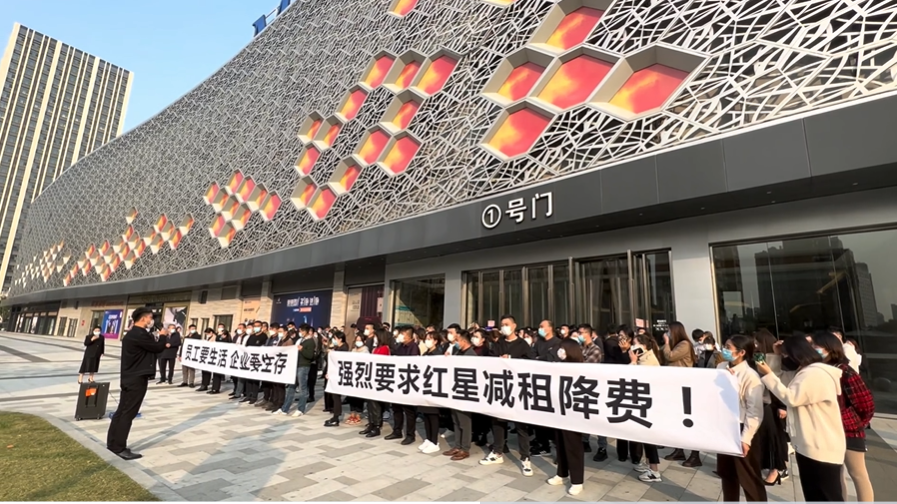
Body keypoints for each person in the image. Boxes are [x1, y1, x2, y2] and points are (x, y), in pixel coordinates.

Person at [757, 336, 845, 501]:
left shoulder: (815, 373)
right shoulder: (804, 371)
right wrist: (775, 356)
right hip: (809, 444)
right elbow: (781, 379)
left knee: (826, 495)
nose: (785, 359)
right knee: (813, 495)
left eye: (785, 355)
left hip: (820, 445)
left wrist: (768, 373)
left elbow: (791, 397)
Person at [812, 331, 875, 502]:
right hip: (828, 430)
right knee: (836, 475)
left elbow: (866, 404)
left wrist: (855, 422)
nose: (813, 349)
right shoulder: (818, 370)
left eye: (816, 346)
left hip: (849, 431)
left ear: (829, 348)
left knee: (858, 474)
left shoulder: (845, 371)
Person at [106, 307, 169, 460]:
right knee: (128, 413)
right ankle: (119, 447)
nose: (151, 321)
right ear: (143, 318)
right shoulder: (139, 334)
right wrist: (162, 336)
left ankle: (113, 443)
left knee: (122, 411)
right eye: (150, 318)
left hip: (130, 377)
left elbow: (150, 348)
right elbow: (157, 347)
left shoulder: (134, 334)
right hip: (136, 379)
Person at [480, 315, 535, 477]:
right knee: (498, 421)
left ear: (514, 326)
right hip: (501, 387)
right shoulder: (499, 344)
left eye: (507, 324)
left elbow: (531, 363)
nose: (504, 327)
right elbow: (490, 360)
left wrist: (512, 360)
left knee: (521, 425)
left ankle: (525, 457)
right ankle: (497, 451)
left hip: (518, 389)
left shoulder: (522, 344)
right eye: (502, 324)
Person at [716, 335, 767, 502]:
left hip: (741, 428)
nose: (724, 350)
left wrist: (746, 438)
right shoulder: (721, 367)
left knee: (749, 476)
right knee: (727, 473)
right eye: (725, 346)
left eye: (728, 348)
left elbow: (754, 411)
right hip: (724, 426)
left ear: (742, 352)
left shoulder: (750, 376)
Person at [547, 338, 587, 496]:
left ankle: (577, 481)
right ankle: (561, 473)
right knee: (560, 443)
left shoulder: (579, 368)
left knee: (573, 446)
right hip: (559, 410)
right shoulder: (559, 366)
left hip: (573, 412)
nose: (560, 351)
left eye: (562, 348)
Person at [753, 329, 789, 485]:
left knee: (774, 437)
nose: (754, 344)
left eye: (757, 342)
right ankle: (768, 466)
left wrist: (783, 405)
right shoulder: (758, 356)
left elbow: (780, 382)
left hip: (774, 403)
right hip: (761, 400)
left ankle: (777, 469)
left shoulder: (776, 358)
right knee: (763, 436)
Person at [662, 321, 699, 467]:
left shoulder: (684, 344)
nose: (667, 334)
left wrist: (666, 343)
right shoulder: (677, 344)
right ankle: (679, 450)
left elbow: (670, 356)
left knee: (688, 420)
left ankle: (695, 454)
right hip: (675, 385)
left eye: (669, 331)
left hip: (684, 386)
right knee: (677, 420)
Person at [443, 330, 476, 461]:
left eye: (457, 340)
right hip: (455, 390)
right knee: (456, 420)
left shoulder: (471, 355)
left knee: (464, 422)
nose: (455, 342)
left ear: (463, 340)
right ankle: (457, 445)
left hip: (465, 391)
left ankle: (465, 448)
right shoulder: (458, 352)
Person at [386, 326, 421, 444]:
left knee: (409, 411)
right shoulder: (400, 346)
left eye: (403, 334)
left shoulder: (413, 347)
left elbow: (413, 364)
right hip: (397, 381)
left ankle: (410, 435)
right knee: (396, 408)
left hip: (408, 382)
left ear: (409, 336)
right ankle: (397, 431)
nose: (400, 336)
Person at [532, 319, 561, 457]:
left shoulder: (557, 342)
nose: (540, 329)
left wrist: (539, 358)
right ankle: (542, 444)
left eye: (542, 326)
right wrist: (538, 358)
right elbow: (532, 356)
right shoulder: (539, 342)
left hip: (552, 384)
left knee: (552, 418)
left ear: (550, 328)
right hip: (538, 383)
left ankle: (555, 446)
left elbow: (551, 358)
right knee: (539, 416)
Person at [360, 329, 394, 438]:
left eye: (376, 336)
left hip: (380, 378)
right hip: (372, 377)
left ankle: (377, 425)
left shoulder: (384, 348)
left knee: (376, 404)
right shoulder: (376, 348)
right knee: (370, 403)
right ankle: (371, 423)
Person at [280, 323, 315, 416]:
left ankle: (301, 409)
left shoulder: (310, 341)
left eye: (302, 331)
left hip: (303, 366)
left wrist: (302, 349)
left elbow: (310, 356)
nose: (301, 332)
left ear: (307, 331)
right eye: (300, 331)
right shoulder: (300, 340)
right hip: (295, 365)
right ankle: (285, 408)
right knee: (291, 387)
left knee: (302, 388)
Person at [324, 331, 349, 427]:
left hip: (338, 375)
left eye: (335, 338)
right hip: (333, 374)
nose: (334, 340)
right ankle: (335, 416)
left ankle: (336, 417)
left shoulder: (344, 348)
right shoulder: (337, 347)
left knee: (336, 396)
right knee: (334, 396)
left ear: (340, 339)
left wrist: (333, 353)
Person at [240, 321, 268, 404]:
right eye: (255, 326)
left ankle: (254, 396)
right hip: (250, 359)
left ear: (261, 327)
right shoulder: (251, 336)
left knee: (255, 379)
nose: (256, 327)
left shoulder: (264, 336)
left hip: (258, 360)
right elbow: (247, 346)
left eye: (258, 326)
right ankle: (248, 395)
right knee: (248, 379)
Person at [197, 328, 217, 392]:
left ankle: (205, 384)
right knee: (204, 371)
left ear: (211, 332)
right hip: (206, 356)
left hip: (211, 356)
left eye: (207, 333)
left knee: (207, 371)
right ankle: (204, 384)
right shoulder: (208, 338)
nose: (207, 335)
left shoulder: (215, 338)